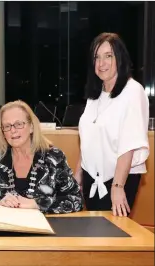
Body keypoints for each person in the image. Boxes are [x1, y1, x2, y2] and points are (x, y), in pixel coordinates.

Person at [75, 32, 149, 217]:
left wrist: (118, 186)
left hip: (119, 179)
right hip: (91, 177)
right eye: (97, 57)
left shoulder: (133, 91)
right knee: (92, 236)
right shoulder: (96, 93)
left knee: (112, 238)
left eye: (108, 56)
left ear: (120, 58)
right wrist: (78, 175)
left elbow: (129, 144)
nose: (101, 64)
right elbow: (88, 140)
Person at [0, 100, 83, 214]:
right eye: (7, 126)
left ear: (32, 127)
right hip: (7, 228)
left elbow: (76, 200)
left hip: (46, 228)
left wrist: (36, 203)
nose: (13, 130)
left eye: (19, 124)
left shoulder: (54, 157)